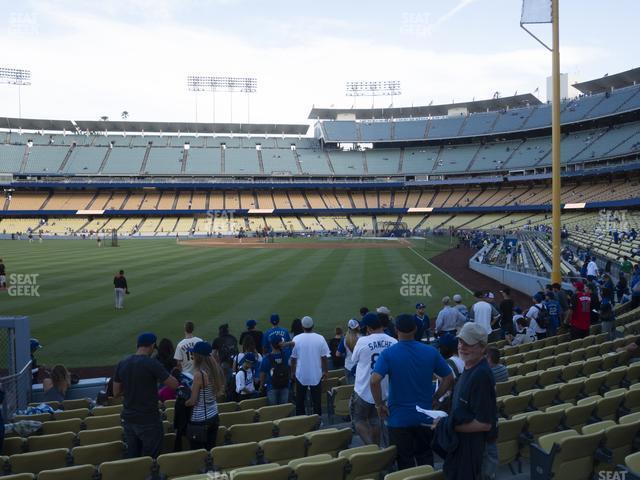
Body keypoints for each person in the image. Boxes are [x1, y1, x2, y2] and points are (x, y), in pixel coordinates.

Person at [371, 314, 454, 470]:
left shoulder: (388, 354)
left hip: (399, 419)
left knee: (404, 463)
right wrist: (435, 397)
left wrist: (378, 405)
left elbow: (374, 380)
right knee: (425, 458)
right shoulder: (430, 351)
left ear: (396, 330)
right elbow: (448, 378)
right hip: (424, 417)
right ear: (415, 329)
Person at [435, 323, 497, 480]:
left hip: (477, 453)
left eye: (468, 343)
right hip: (467, 449)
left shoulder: (481, 376)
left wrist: (444, 424)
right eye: (460, 342)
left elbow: (484, 424)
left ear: (483, 348)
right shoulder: (469, 369)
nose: (462, 347)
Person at [113, 332, 179, 458]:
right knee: (151, 459)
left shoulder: (122, 363)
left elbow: (116, 392)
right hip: (148, 419)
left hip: (128, 418)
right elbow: (173, 385)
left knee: (134, 457)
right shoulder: (151, 363)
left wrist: (132, 388)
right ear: (152, 346)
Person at [349, 312, 397, 445]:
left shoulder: (362, 341)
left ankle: (372, 448)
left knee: (358, 420)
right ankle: (376, 449)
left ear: (369, 328)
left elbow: (354, 360)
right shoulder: (393, 341)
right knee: (376, 422)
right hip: (383, 392)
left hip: (363, 390)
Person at [185, 341, 225, 450]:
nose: (192, 356)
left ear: (198, 356)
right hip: (214, 416)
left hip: (200, 420)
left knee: (198, 453)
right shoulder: (216, 370)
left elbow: (192, 401)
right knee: (210, 450)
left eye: (193, 354)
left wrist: (183, 401)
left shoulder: (199, 375)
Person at [290, 316, 330, 416]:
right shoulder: (320, 338)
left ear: (302, 326)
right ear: (313, 326)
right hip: (316, 374)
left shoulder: (296, 339)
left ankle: (301, 421)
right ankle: (318, 420)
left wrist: (292, 372)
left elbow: (293, 359)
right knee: (316, 401)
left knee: (300, 401)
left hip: (301, 375)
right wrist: (326, 371)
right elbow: (324, 357)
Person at [259, 336, 291, 405]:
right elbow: (294, 344)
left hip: (272, 387)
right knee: (284, 410)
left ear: (271, 345)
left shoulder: (266, 358)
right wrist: (285, 344)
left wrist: (261, 386)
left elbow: (262, 374)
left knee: (273, 411)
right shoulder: (286, 354)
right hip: (285, 385)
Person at [336, 319, 360, 384]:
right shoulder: (363, 337)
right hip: (361, 366)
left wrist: (345, 355)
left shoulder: (345, 339)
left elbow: (337, 354)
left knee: (351, 388)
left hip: (349, 366)